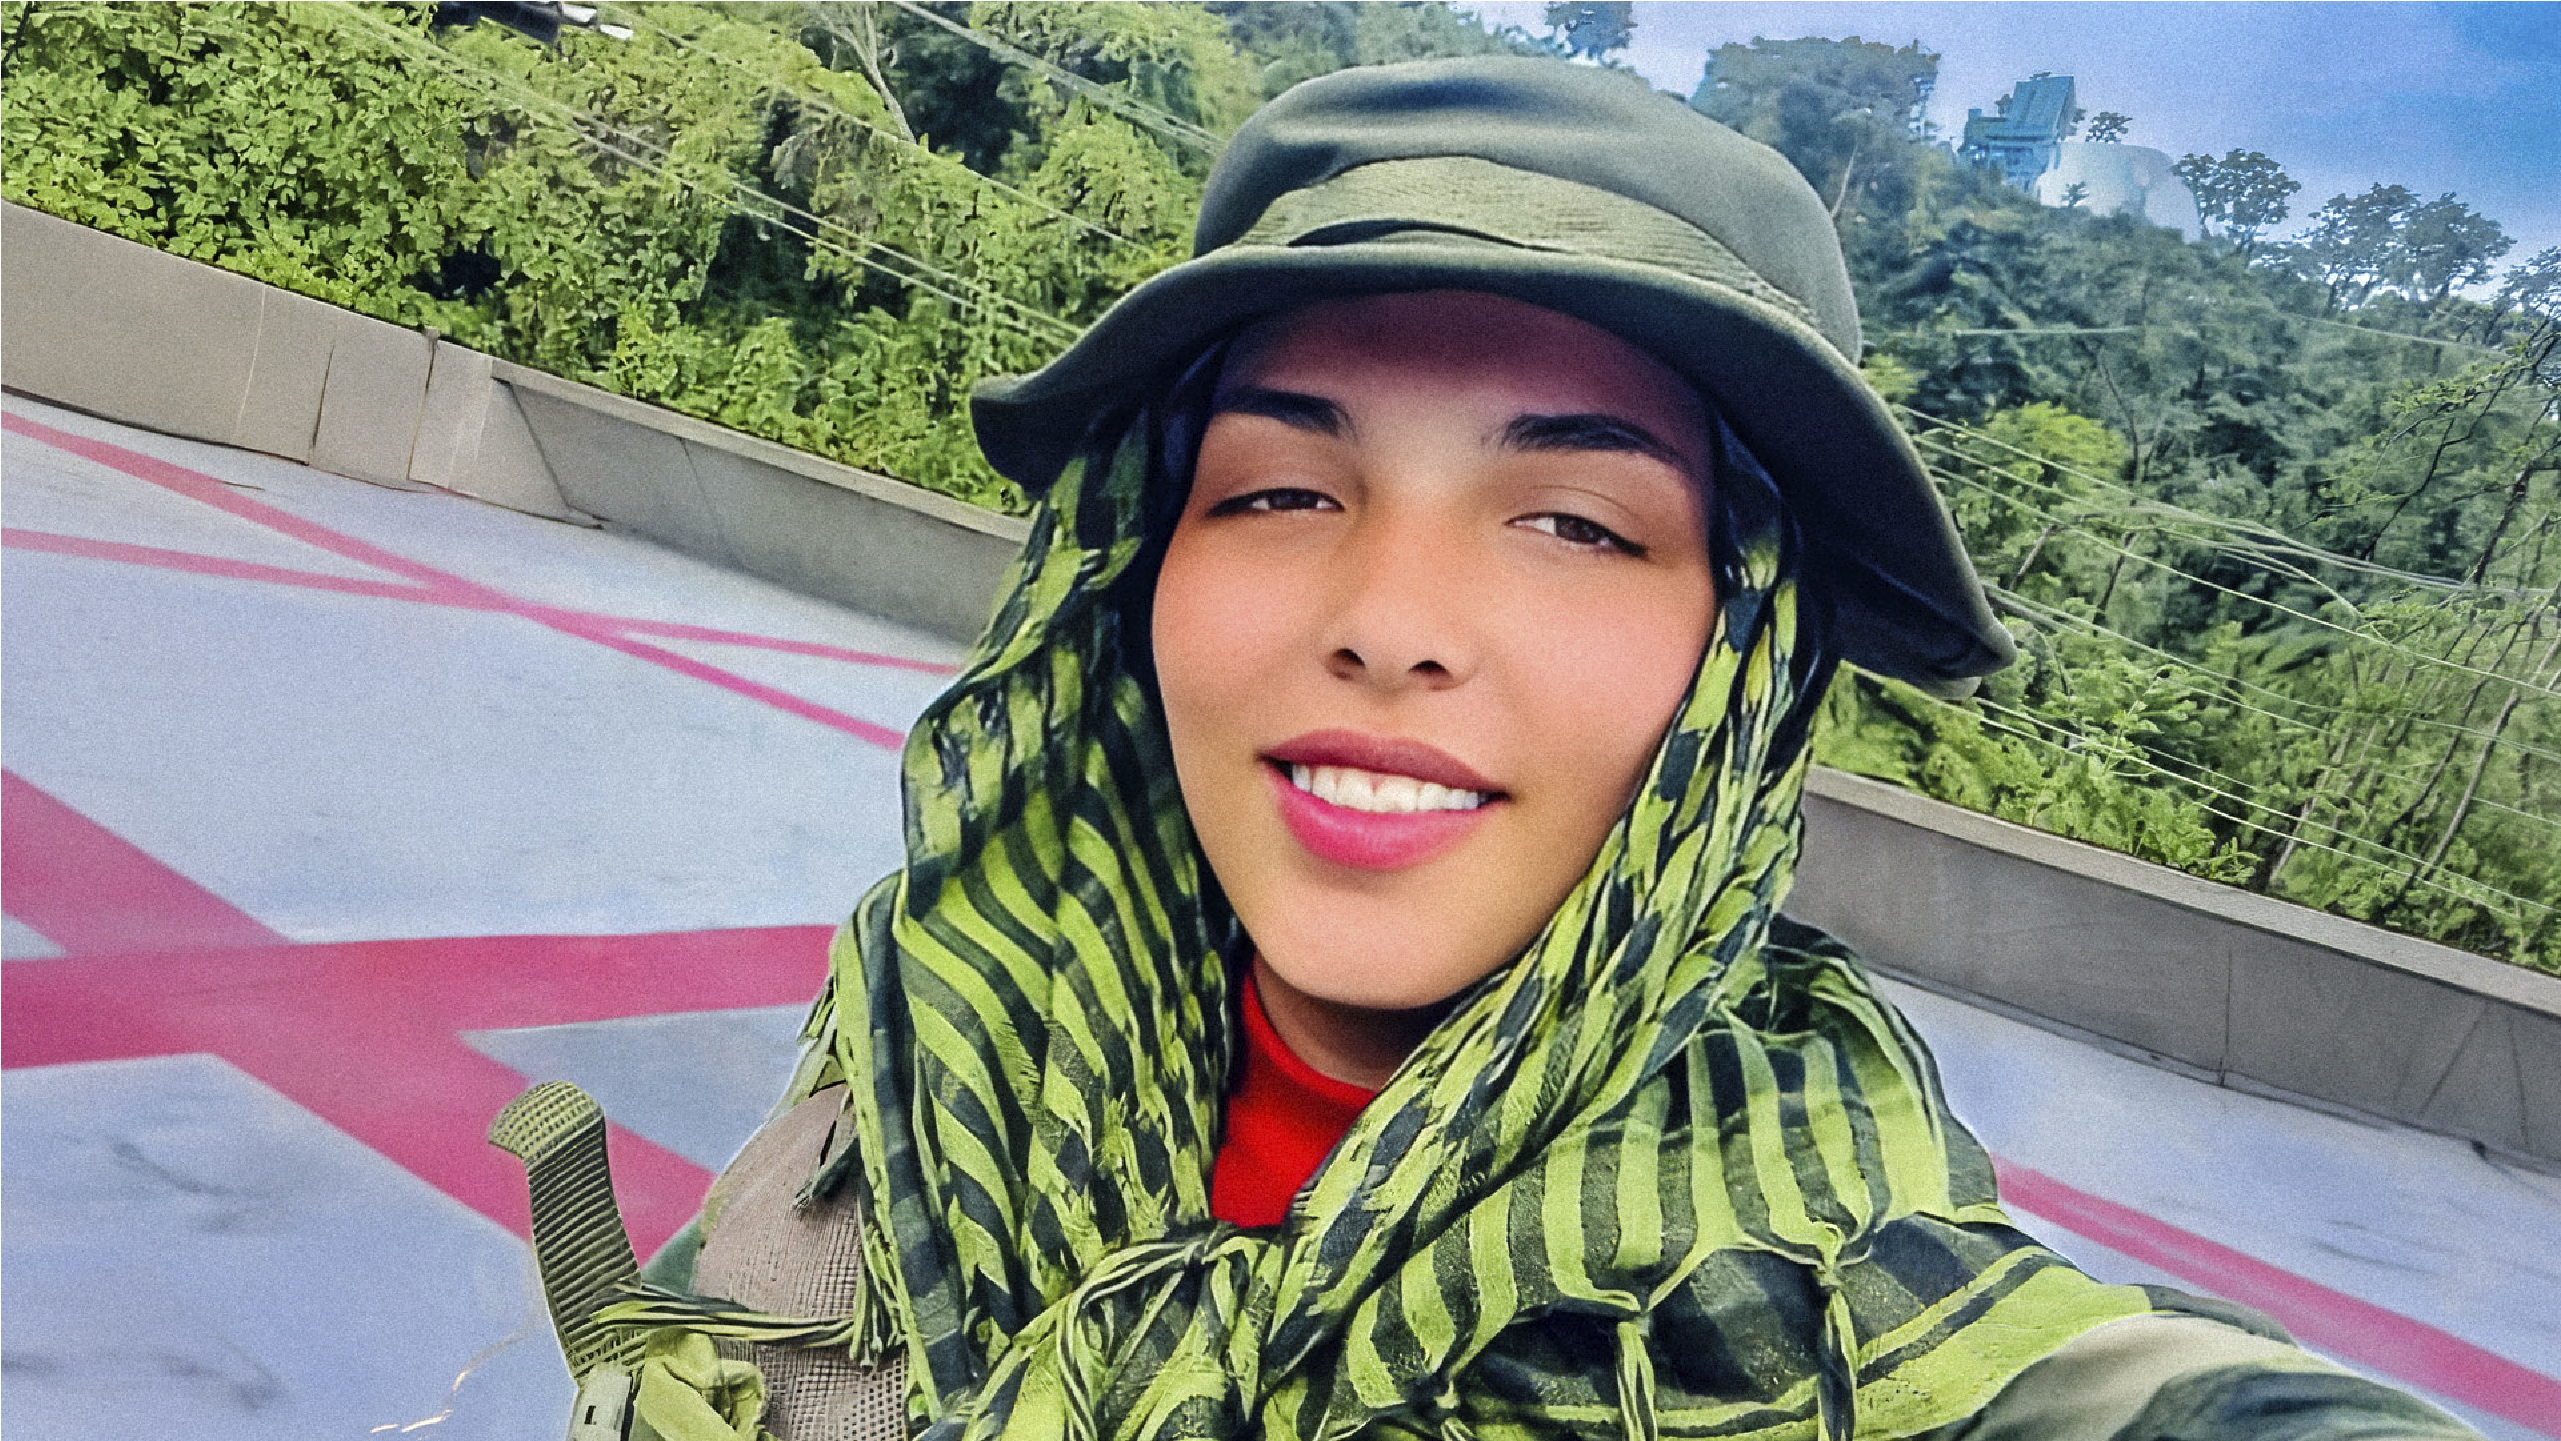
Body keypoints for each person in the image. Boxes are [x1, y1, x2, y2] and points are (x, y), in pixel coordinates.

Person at [570, 57, 2479, 1441]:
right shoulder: (953, 1030)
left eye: (1575, 522)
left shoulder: (1817, 1305)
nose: (1391, 617)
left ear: (1740, 667)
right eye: (1278, 490)